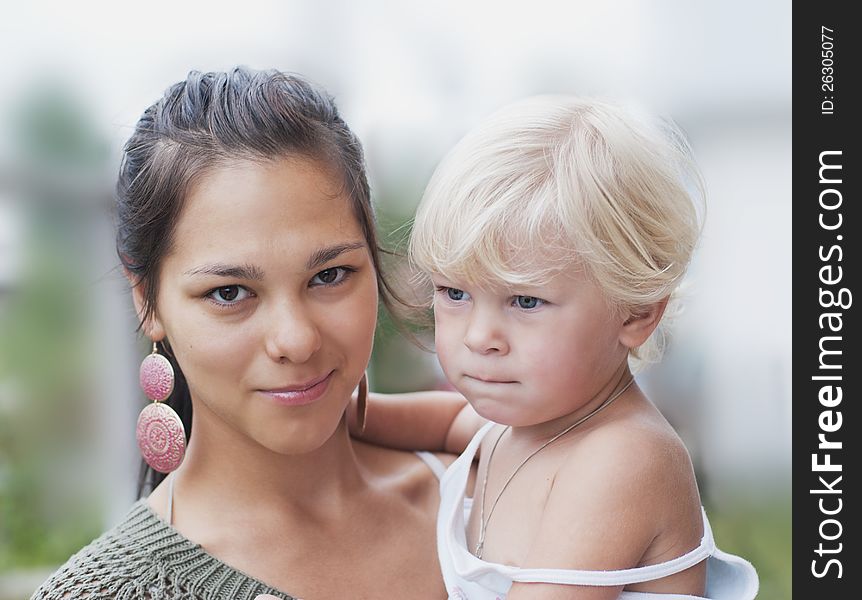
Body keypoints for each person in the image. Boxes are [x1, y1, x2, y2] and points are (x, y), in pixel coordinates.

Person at [31, 67, 468, 599]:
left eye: (329, 276)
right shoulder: (109, 592)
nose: (296, 339)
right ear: (147, 299)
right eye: (230, 293)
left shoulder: (500, 498)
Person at [397, 95, 758, 599]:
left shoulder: (625, 457)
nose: (479, 337)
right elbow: (442, 421)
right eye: (455, 293)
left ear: (635, 312)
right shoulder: (514, 427)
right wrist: (339, 417)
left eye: (525, 301)